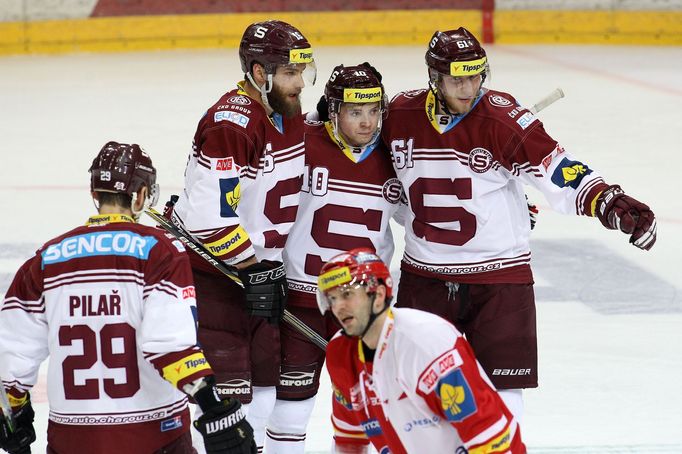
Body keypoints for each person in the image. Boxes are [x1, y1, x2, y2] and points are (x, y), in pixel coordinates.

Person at [380, 27, 658, 421]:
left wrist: (608, 200)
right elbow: (375, 180)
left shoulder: (501, 118)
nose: (468, 86)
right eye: (457, 78)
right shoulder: (400, 116)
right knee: (411, 392)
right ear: (434, 79)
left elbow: (557, 168)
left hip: (500, 280)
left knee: (503, 394)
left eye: (476, 75)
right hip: (426, 276)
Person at [0, 141, 256, 454]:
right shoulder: (160, 250)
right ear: (140, 196)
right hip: (154, 435)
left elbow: (11, 358)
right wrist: (211, 401)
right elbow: (169, 346)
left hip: (72, 438)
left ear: (96, 195)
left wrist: (12, 412)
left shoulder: (45, 259)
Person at [167, 20, 316, 451]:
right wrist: (255, 271)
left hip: (256, 276)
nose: (299, 83)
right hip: (214, 276)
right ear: (258, 73)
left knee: (266, 396)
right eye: (289, 73)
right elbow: (209, 221)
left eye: (301, 72)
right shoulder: (232, 124)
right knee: (229, 413)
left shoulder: (285, 114)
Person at [264, 64, 403, 453]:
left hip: (365, 308)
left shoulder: (395, 157)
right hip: (302, 300)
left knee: (373, 411)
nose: (366, 121)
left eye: (374, 110)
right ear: (333, 109)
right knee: (290, 409)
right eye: (355, 112)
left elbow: (430, 207)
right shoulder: (301, 142)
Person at [318, 248, 525, 453]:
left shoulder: (425, 342)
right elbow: (350, 439)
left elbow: (487, 433)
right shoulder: (340, 353)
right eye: (333, 298)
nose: (339, 307)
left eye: (347, 295)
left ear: (379, 294)